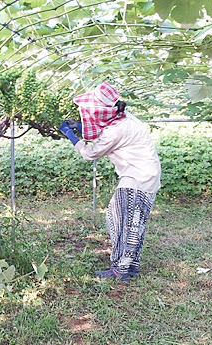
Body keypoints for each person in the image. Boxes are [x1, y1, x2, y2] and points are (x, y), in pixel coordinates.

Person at [59, 81, 161, 282]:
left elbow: (90, 153)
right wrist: (79, 126)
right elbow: (104, 132)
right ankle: (130, 266)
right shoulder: (124, 117)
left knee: (120, 221)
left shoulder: (116, 130)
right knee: (134, 223)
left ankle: (119, 270)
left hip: (137, 178)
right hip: (145, 175)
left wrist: (71, 135)